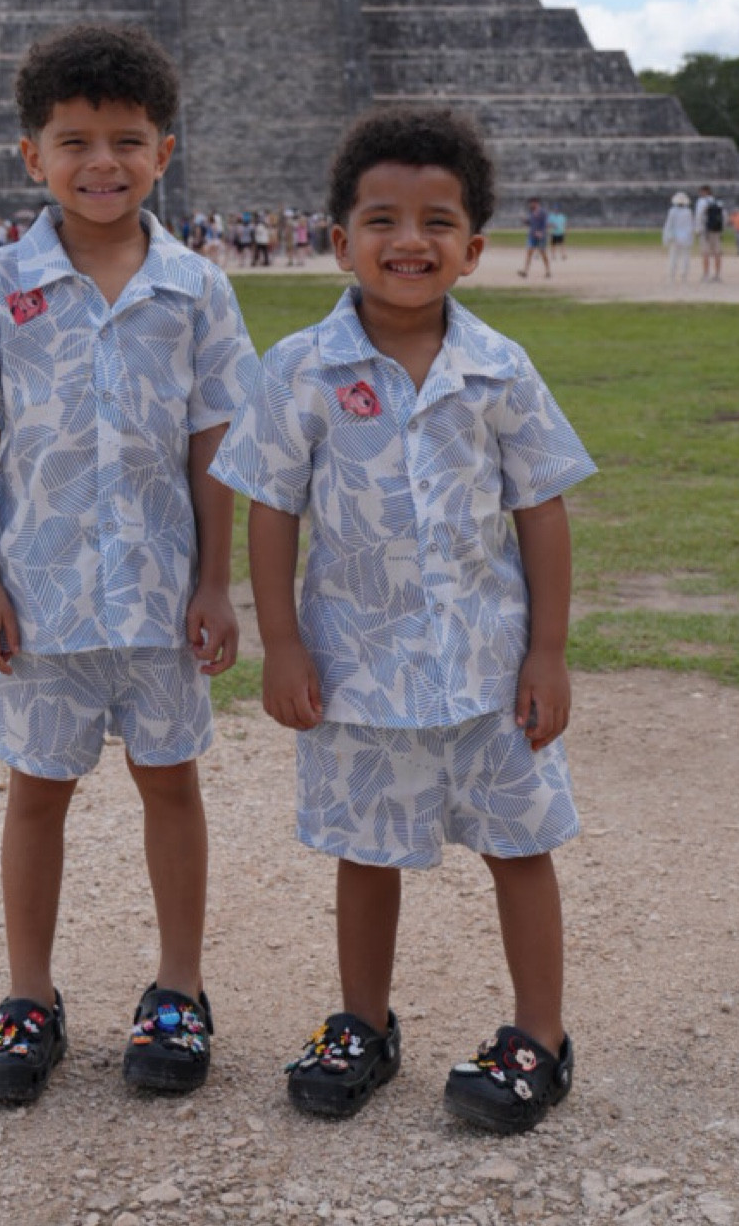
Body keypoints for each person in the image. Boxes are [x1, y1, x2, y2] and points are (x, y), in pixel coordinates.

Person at [213, 108, 595, 1134]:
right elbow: (272, 505)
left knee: (520, 844)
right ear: (337, 240)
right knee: (366, 849)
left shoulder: (500, 366)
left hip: (487, 665)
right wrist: (283, 640)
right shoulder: (300, 365)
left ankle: (541, 1035)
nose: (409, 240)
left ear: (474, 247)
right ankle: (363, 1021)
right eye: (381, 218)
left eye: (438, 220)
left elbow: (542, 506)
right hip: (359, 668)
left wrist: (549, 651)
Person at [0, 22, 258, 1109]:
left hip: (160, 594)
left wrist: (217, 580)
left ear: (165, 149)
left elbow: (217, 441)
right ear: (33, 156)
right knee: (36, 795)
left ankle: (179, 987)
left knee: (172, 787)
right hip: (42, 592)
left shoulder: (198, 287)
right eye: (74, 141)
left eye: (127, 139)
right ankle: (28, 995)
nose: (101, 162)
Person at [661, 191, 693, 283]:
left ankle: (672, 276)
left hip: (675, 237)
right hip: (685, 237)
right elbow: (690, 226)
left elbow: (669, 225)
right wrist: (690, 237)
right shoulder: (688, 212)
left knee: (673, 257)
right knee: (685, 257)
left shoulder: (672, 211)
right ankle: (684, 275)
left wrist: (666, 237)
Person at [694, 187, 724, 282]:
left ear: (704, 192)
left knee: (705, 253)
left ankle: (706, 275)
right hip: (716, 230)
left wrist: (697, 230)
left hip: (705, 231)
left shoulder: (701, 202)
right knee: (717, 253)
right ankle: (717, 275)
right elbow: (723, 217)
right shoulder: (718, 202)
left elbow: (698, 216)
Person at [518, 195, 551, 279]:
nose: (530, 205)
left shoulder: (543, 212)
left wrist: (541, 232)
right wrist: (524, 220)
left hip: (541, 236)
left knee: (543, 253)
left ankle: (548, 271)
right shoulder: (531, 213)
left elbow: (545, 224)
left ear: (536, 203)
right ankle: (525, 271)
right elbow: (530, 223)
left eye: (531, 203)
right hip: (532, 235)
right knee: (529, 253)